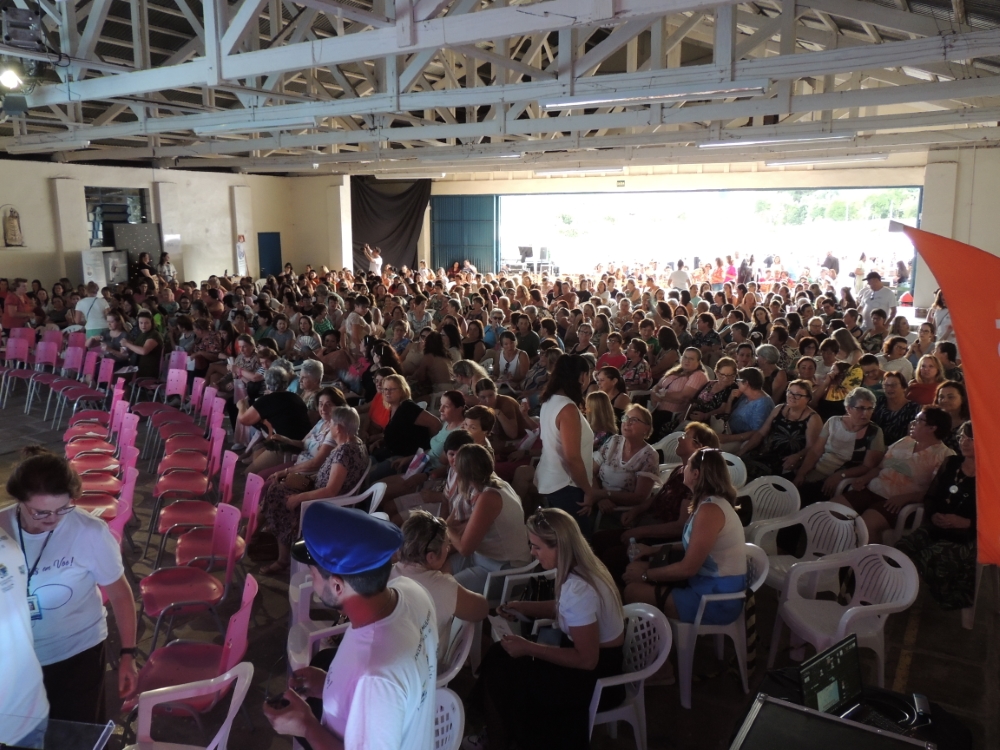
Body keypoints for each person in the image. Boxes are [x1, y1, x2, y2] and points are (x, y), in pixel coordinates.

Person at [264, 504, 437, 750]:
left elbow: (379, 689)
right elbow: (395, 694)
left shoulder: (373, 675)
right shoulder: (413, 591)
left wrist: (306, 726)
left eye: (313, 573)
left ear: (337, 586)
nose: (311, 579)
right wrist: (331, 686)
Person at [468, 507, 625, 750]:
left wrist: (528, 647)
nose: (532, 553)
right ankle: (498, 732)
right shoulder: (583, 567)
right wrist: (523, 607)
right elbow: (566, 610)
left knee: (503, 675)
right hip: (595, 659)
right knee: (500, 655)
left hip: (597, 676)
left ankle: (500, 738)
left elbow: (587, 660)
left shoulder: (579, 588)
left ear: (559, 546)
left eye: (537, 547)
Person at [0, 447, 138, 723]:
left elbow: (121, 594)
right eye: (41, 512)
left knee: (77, 730)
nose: (52, 519)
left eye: (63, 508)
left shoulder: (90, 531)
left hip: (77, 652)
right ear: (19, 501)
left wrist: (128, 653)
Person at [622, 448, 747, 629]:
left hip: (716, 599)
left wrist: (645, 575)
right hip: (702, 583)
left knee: (633, 591)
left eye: (687, 465)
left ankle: (653, 642)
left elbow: (688, 568)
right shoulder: (706, 503)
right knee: (636, 568)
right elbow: (694, 546)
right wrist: (651, 550)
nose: (684, 468)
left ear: (695, 474)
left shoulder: (710, 510)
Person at [259, 405, 369, 574]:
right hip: (322, 493)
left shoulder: (345, 452)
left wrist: (298, 498)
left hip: (327, 504)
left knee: (277, 494)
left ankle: (282, 558)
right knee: (278, 488)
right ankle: (275, 541)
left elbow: (331, 491)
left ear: (338, 428)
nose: (329, 427)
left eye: (331, 424)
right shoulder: (356, 443)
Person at [834, 405, 954, 544]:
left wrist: (905, 498)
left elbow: (935, 493)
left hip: (899, 503)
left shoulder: (944, 456)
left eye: (918, 420)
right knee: (831, 511)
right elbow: (880, 467)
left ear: (932, 428)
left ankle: (872, 558)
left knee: (866, 525)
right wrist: (865, 478)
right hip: (872, 490)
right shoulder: (905, 441)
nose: (912, 423)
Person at [896, 421, 976, 610]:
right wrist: (933, 515)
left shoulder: (993, 474)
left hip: (968, 536)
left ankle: (895, 599)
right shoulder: (952, 463)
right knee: (899, 552)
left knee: (922, 561)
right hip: (937, 526)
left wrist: (966, 522)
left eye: (971, 439)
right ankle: (888, 596)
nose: (963, 442)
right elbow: (932, 496)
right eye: (962, 437)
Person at [392, 511, 489, 664]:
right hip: (425, 669)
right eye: (447, 545)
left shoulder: (383, 575)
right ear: (431, 557)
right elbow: (481, 610)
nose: (448, 549)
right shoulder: (444, 586)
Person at [445, 444, 531, 592]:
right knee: (436, 571)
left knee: (445, 589)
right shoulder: (493, 484)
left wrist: (445, 527)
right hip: (482, 558)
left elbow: (465, 548)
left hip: (505, 568)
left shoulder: (489, 497)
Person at [537, 354, 598, 537]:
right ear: (582, 376)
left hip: (552, 479)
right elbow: (572, 457)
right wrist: (588, 490)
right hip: (567, 485)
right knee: (578, 545)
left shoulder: (549, 401)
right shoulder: (567, 408)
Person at [793, 387, 887, 507]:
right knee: (786, 487)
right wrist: (801, 473)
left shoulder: (874, 432)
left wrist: (840, 475)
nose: (866, 413)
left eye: (870, 408)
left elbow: (868, 466)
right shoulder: (833, 422)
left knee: (802, 498)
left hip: (841, 477)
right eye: (861, 408)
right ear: (848, 408)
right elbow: (816, 451)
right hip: (817, 469)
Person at [739, 379, 822, 481]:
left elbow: (811, 448)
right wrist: (742, 451)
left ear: (808, 398)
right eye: (790, 392)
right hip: (766, 451)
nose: (792, 396)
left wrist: (798, 456)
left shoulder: (813, 418)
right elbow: (761, 433)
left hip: (787, 460)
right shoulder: (779, 408)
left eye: (798, 395)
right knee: (740, 467)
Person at [586, 404, 659, 518]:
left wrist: (604, 495)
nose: (627, 423)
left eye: (634, 420)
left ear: (646, 428)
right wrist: (600, 498)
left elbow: (639, 497)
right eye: (625, 418)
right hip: (599, 500)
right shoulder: (613, 441)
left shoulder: (649, 455)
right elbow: (591, 472)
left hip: (622, 512)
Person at [237, 366, 314, 474]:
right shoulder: (295, 397)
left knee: (249, 473)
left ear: (267, 383)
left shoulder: (267, 400)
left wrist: (241, 406)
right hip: (303, 443)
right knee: (257, 449)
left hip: (287, 446)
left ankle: (262, 476)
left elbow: (244, 420)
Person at [649, 347, 709, 438]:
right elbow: (657, 386)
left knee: (646, 427)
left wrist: (660, 396)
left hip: (673, 415)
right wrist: (654, 393)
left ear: (698, 361)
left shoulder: (698, 375)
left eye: (691, 359)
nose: (687, 361)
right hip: (656, 408)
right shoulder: (676, 371)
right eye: (685, 357)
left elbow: (683, 397)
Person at [719, 367, 775, 447]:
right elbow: (727, 416)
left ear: (746, 383)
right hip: (728, 432)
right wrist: (730, 400)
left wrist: (728, 438)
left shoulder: (763, 403)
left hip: (742, 442)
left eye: (738, 380)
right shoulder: (745, 395)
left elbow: (757, 433)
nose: (737, 383)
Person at [872, 371, 921, 447]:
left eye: (893, 385)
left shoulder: (914, 408)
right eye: (886, 385)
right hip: (875, 446)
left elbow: (912, 436)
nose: (889, 388)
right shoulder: (879, 402)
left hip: (902, 448)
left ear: (904, 388)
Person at [687, 356, 739, 424]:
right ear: (716, 372)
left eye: (730, 375)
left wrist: (705, 416)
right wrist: (685, 416)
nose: (725, 378)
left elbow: (723, 409)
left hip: (709, 423)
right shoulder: (710, 383)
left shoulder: (732, 388)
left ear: (735, 375)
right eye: (722, 375)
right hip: (692, 418)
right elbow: (694, 402)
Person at [119, 310, 164, 379]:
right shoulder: (141, 334)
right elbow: (135, 348)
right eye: (141, 323)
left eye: (146, 323)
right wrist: (126, 349)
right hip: (137, 368)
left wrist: (127, 344)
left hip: (149, 371)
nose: (143, 325)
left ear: (151, 323)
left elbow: (144, 351)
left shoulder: (154, 334)